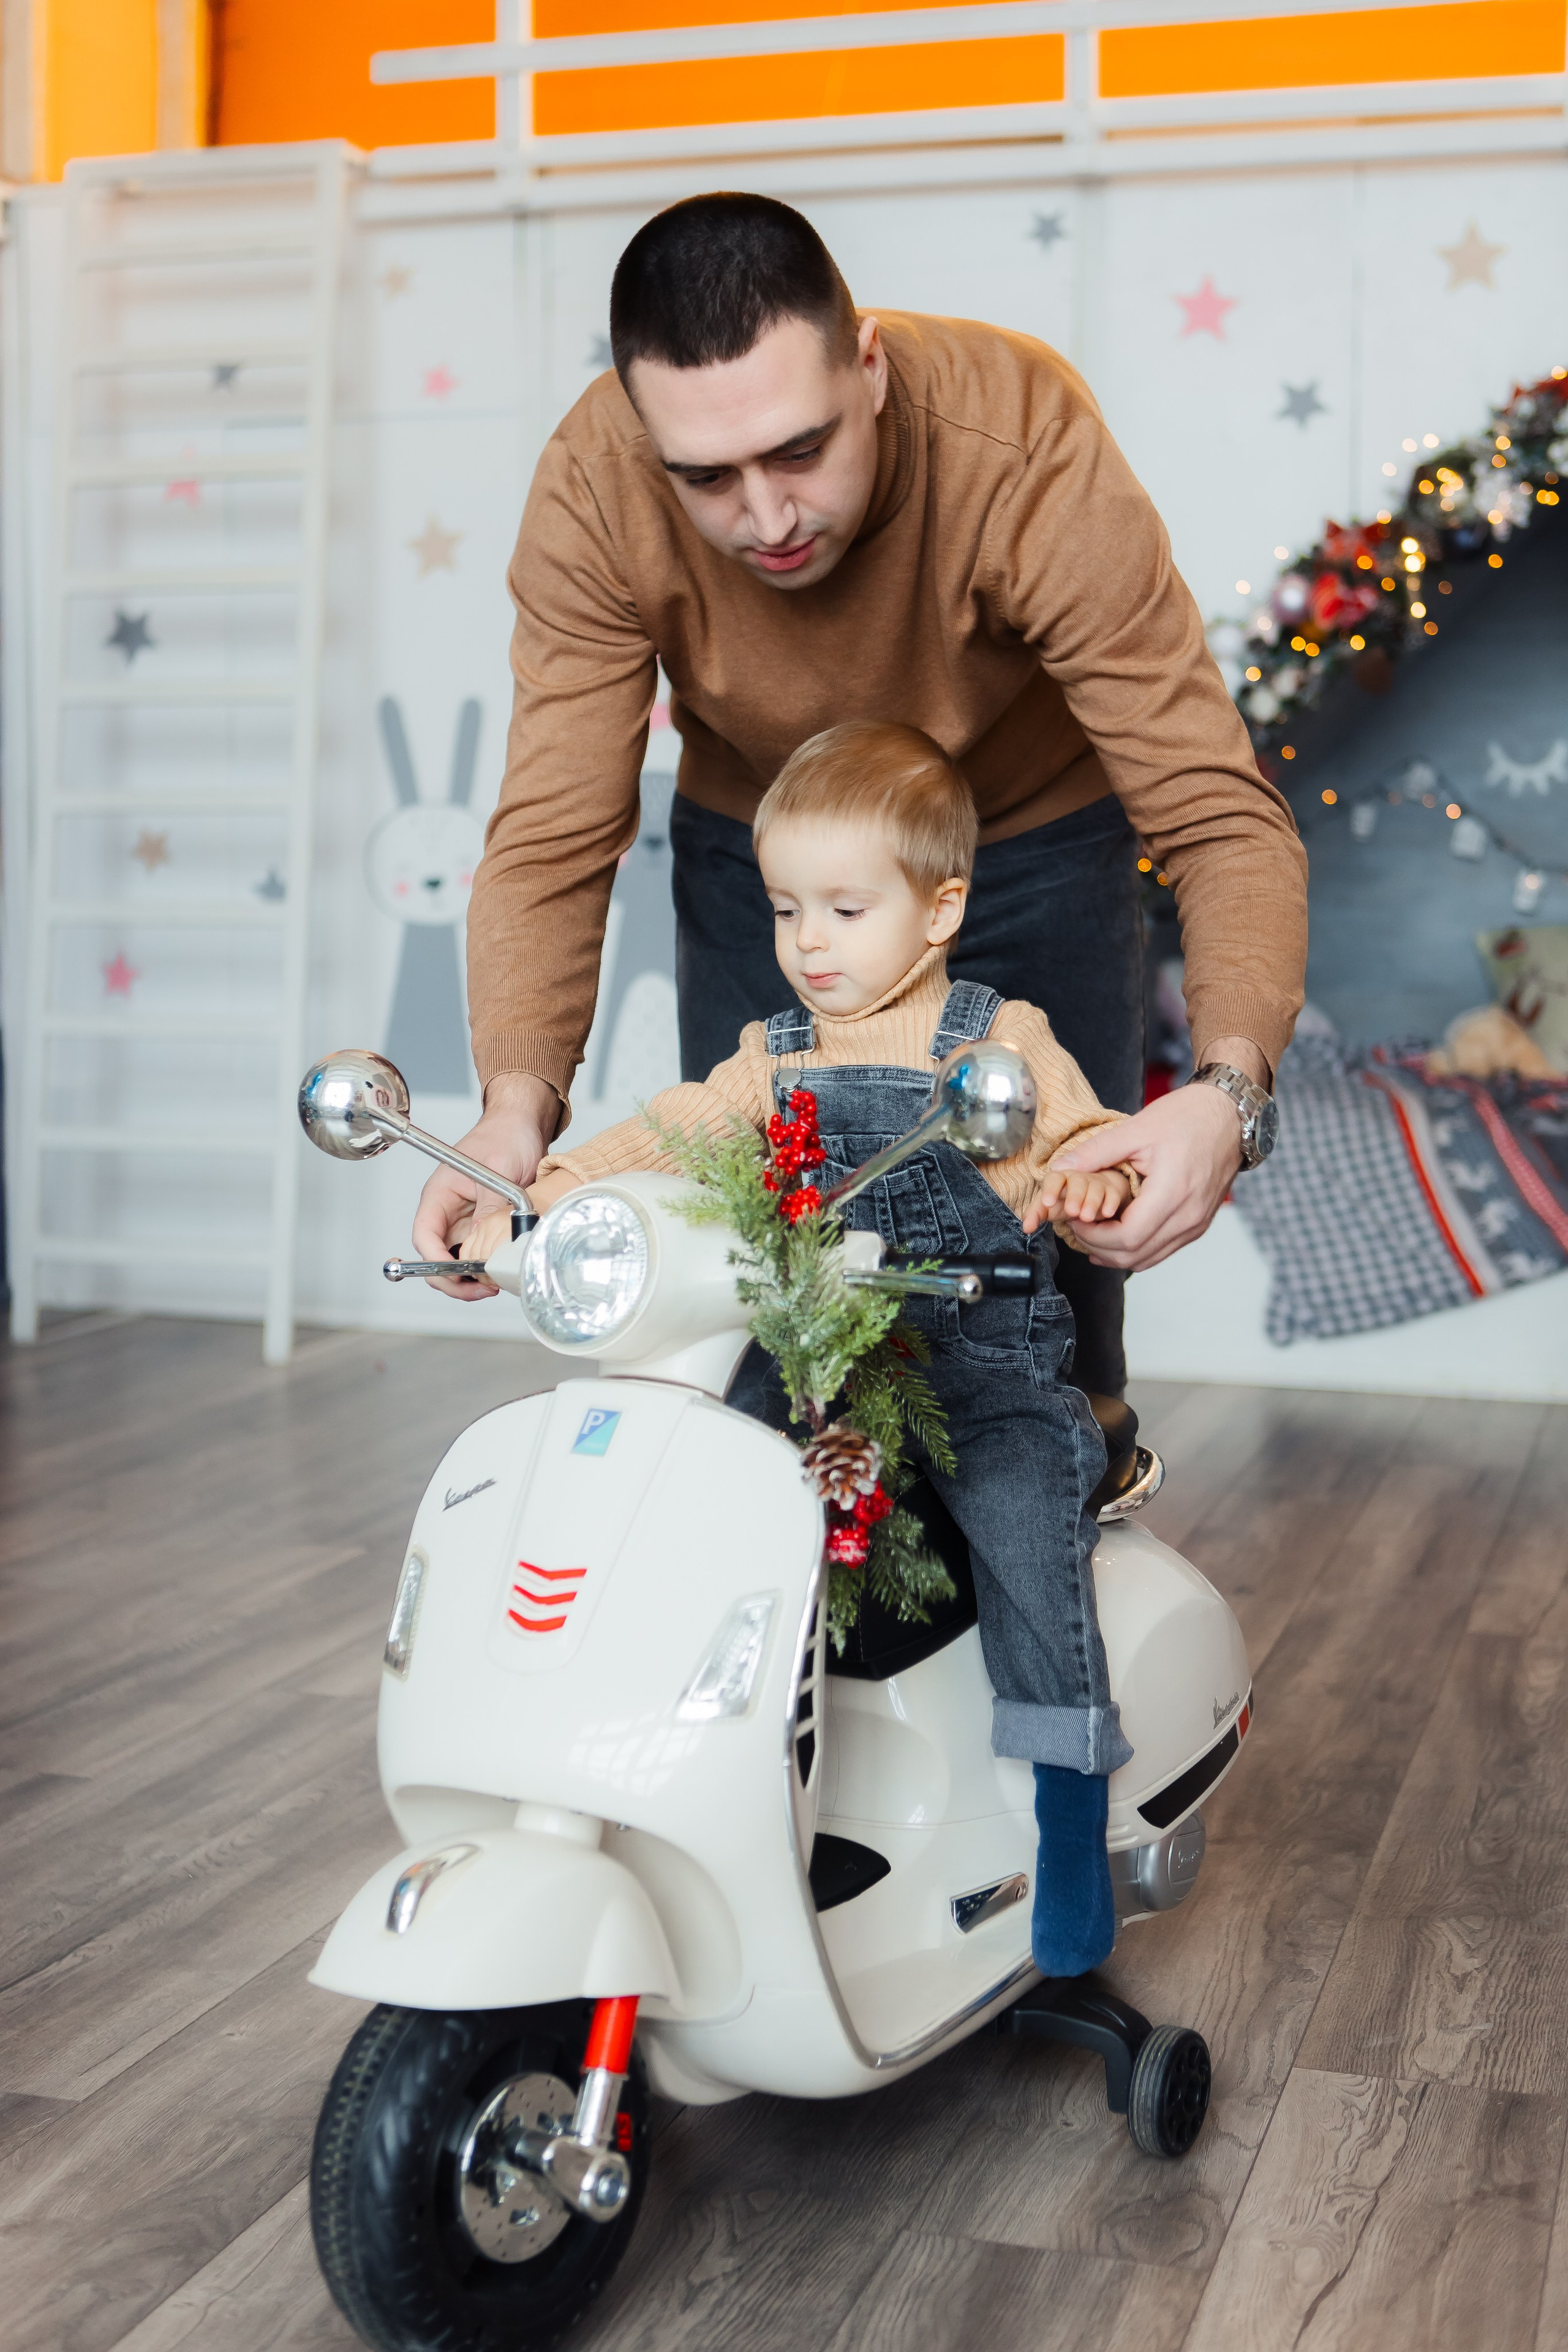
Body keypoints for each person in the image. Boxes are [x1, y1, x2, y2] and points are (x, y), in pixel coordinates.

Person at [413, 190, 1306, 1398]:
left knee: (1049, 1302)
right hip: (763, 857)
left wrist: (1225, 1097)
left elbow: (1211, 805)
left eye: (798, 449)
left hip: (1026, 840)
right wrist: (512, 1111)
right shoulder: (593, 488)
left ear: (869, 367)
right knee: (765, 1276)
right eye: (707, 478)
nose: (767, 518)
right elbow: (552, 836)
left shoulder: (1022, 440)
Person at [461, 721, 1140, 1976]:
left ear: (938, 912)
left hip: (975, 1372)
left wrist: (1091, 1188)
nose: (807, 943)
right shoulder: (775, 1058)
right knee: (693, 1504)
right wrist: (546, 1187)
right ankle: (705, 1779)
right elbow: (674, 1130)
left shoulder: (996, 1045)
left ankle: (1064, 1820)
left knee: (1023, 1542)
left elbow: (1087, 1139)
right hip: (821, 1367)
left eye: (842, 907)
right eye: (784, 911)